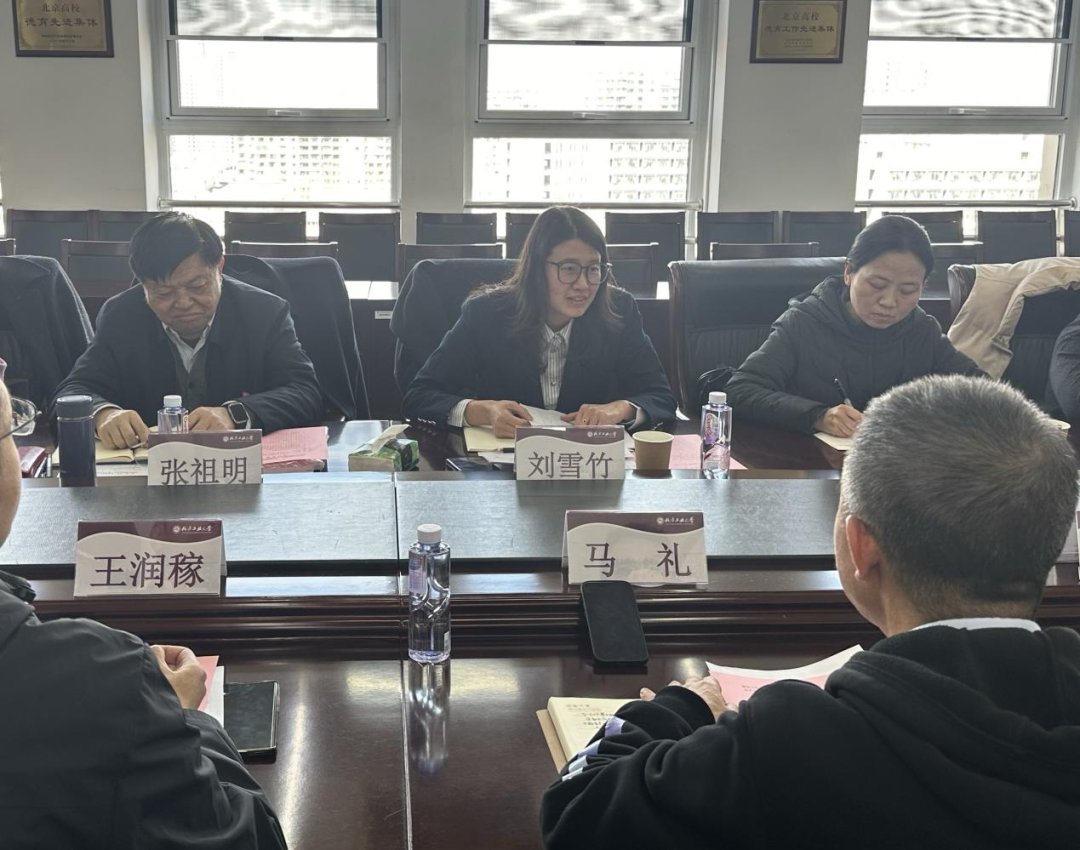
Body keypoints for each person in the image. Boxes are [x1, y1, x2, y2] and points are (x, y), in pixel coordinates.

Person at [541, 375, 1080, 849]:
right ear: (1050, 541)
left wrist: (679, 708)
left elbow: (577, 811)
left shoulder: (790, 744)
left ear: (861, 546)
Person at [0, 377, 287, 848]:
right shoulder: (101, 679)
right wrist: (178, 717)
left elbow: (306, 388)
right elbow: (253, 838)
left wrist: (236, 413)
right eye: (13, 431)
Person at [52, 213, 324, 449]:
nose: (183, 303)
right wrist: (103, 414)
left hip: (241, 471)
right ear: (143, 284)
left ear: (219, 267)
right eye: (163, 292)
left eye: (197, 286)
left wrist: (236, 414)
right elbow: (73, 390)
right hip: (150, 475)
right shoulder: (121, 316)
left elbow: (305, 392)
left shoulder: (263, 312)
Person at [402, 206, 677, 436]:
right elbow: (420, 396)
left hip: (588, 467)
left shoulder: (619, 310)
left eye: (593, 269)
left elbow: (660, 397)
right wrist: (483, 411)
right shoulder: (486, 314)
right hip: (502, 469)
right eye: (569, 269)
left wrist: (620, 408)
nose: (583, 284)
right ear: (536, 269)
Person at [725, 215, 983, 437]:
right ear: (848, 273)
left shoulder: (922, 330)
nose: (889, 302)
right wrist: (818, 416)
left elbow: (982, 392)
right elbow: (740, 391)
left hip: (897, 468)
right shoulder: (805, 322)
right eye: (877, 285)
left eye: (907, 290)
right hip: (812, 466)